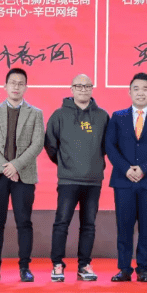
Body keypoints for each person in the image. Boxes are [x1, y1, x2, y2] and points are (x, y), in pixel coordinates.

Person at [105, 72, 147, 282]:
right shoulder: (118, 117)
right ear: (129, 92)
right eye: (136, 88)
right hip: (123, 181)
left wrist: (143, 169)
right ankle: (124, 268)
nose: (140, 93)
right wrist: (126, 169)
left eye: (145, 89)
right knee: (124, 226)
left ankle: (143, 268)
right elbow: (110, 146)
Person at [0, 68, 45, 282]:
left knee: (24, 222)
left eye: (20, 83)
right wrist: (5, 168)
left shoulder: (35, 113)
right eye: (12, 83)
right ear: (5, 86)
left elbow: (37, 144)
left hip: (23, 176)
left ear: (26, 87)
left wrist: (15, 166)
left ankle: (25, 267)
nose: (16, 87)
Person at [44, 74, 109, 282]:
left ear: (92, 89)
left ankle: (84, 265)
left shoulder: (102, 116)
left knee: (88, 224)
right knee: (61, 223)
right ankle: (57, 265)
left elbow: (107, 146)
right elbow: (50, 144)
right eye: (79, 86)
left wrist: (94, 163)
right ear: (71, 89)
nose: (83, 89)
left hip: (93, 180)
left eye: (87, 86)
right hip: (68, 180)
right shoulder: (59, 115)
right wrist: (64, 162)